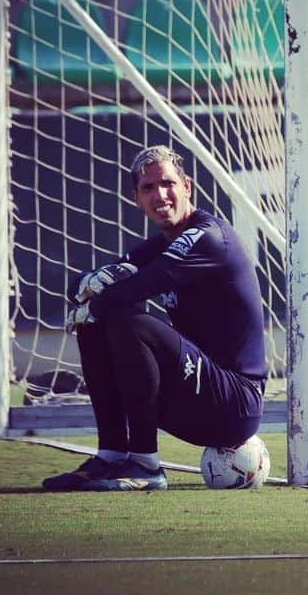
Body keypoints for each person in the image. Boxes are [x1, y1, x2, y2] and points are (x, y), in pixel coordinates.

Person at [42, 145, 266, 491]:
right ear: (137, 197)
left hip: (234, 404)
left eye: (168, 183)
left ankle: (145, 465)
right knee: (98, 322)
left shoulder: (207, 236)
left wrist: (96, 302)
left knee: (124, 320)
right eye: (148, 188)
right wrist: (86, 288)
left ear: (187, 186)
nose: (160, 195)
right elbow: (99, 279)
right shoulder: (159, 245)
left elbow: (146, 282)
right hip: (191, 398)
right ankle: (113, 456)